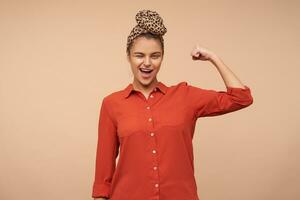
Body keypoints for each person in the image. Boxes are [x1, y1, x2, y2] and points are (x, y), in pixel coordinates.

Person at [92, 9, 253, 200]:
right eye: (139, 55)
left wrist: (212, 58)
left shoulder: (184, 96)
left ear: (162, 57)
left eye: (155, 55)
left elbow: (241, 98)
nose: (147, 63)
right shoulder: (112, 104)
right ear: (128, 56)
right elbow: (103, 174)